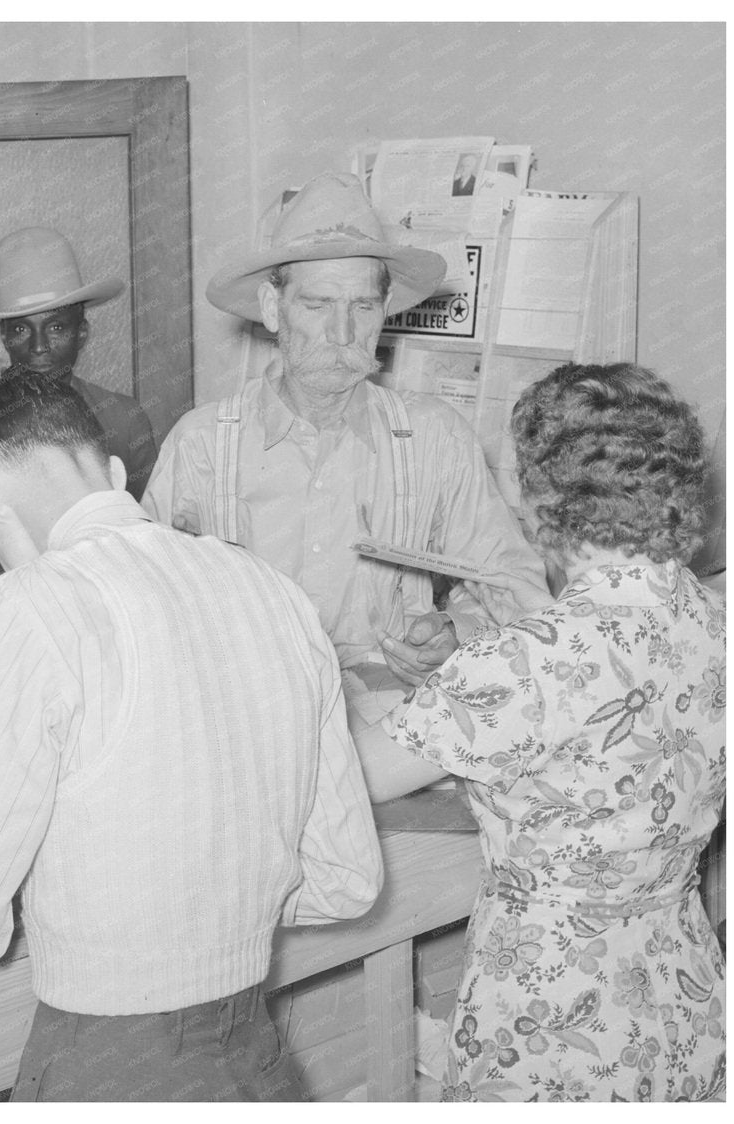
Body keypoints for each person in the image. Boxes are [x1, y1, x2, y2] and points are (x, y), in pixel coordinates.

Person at [0, 372, 381, 1101]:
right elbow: (345, 880)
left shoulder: (29, 604)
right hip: (255, 1060)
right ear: (112, 473)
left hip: (112, 1069)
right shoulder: (272, 591)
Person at [358, 363, 725, 1101]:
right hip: (680, 978)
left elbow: (355, 774)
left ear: (540, 500)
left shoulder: (528, 662)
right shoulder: (714, 618)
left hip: (551, 1005)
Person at [143, 172, 547, 727]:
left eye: (362, 306)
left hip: (388, 727)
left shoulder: (434, 439)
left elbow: (517, 588)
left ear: (386, 310)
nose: (341, 332)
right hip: (242, 721)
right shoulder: (202, 445)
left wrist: (459, 633)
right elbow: (137, 605)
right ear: (271, 306)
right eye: (317, 305)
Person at [0, 227, 159, 723]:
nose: (38, 345)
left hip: (91, 659)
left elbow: (141, 551)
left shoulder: (122, 419)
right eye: (20, 329)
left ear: (84, 331)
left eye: (57, 327)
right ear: (2, 335)